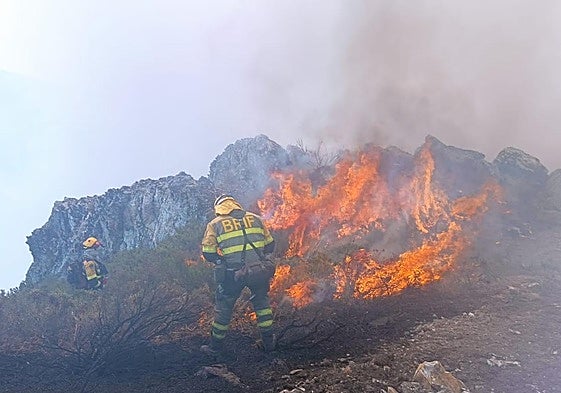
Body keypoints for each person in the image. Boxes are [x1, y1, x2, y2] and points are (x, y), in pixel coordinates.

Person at [201, 194, 276, 353]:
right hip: (259, 271)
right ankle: (269, 344)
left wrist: (221, 261)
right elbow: (270, 245)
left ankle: (215, 348)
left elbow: (208, 252)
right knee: (262, 305)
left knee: (224, 308)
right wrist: (259, 258)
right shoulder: (256, 218)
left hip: (233, 274)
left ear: (219, 208)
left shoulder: (215, 224)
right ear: (236, 204)